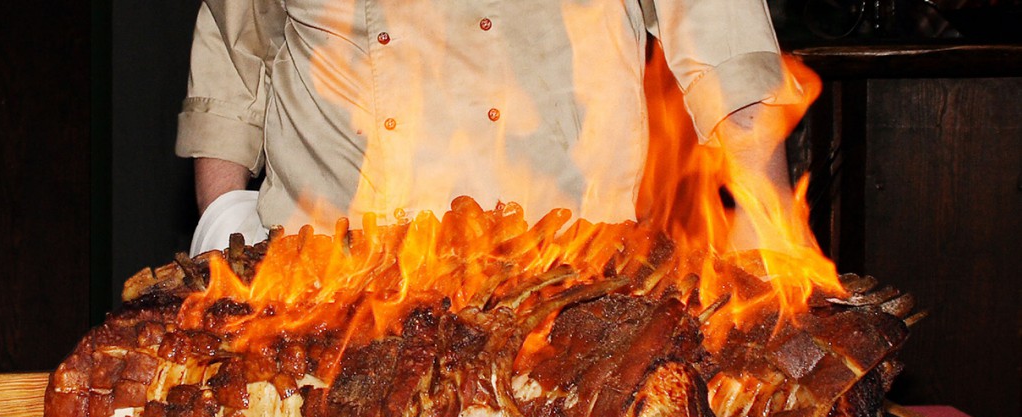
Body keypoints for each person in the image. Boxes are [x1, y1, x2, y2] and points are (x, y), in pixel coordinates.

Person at [177, 1, 802, 255]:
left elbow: (722, 41)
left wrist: (766, 211)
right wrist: (224, 224)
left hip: (565, 283)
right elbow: (236, 53)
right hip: (324, 287)